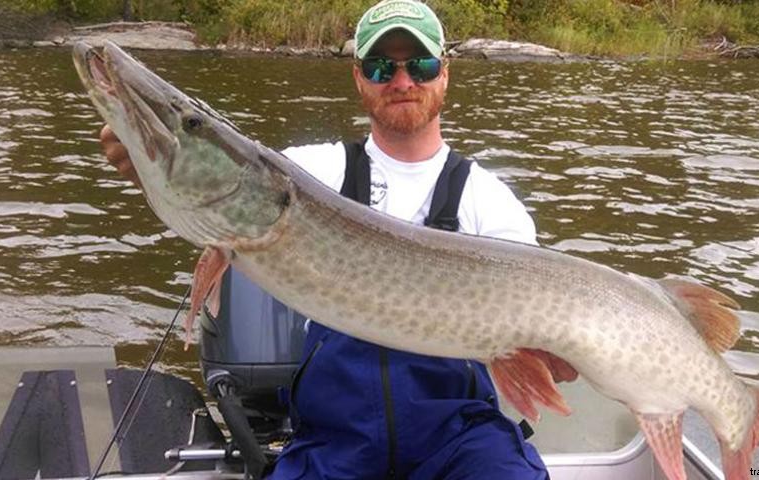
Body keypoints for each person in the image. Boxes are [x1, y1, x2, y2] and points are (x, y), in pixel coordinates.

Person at [100, 1, 548, 478]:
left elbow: (533, 340)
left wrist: (548, 356)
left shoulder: (491, 201)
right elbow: (222, 189)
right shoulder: (306, 173)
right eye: (381, 67)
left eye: (420, 65)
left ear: (444, 74)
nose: (401, 82)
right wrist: (150, 167)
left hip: (458, 439)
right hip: (335, 441)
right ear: (359, 77)